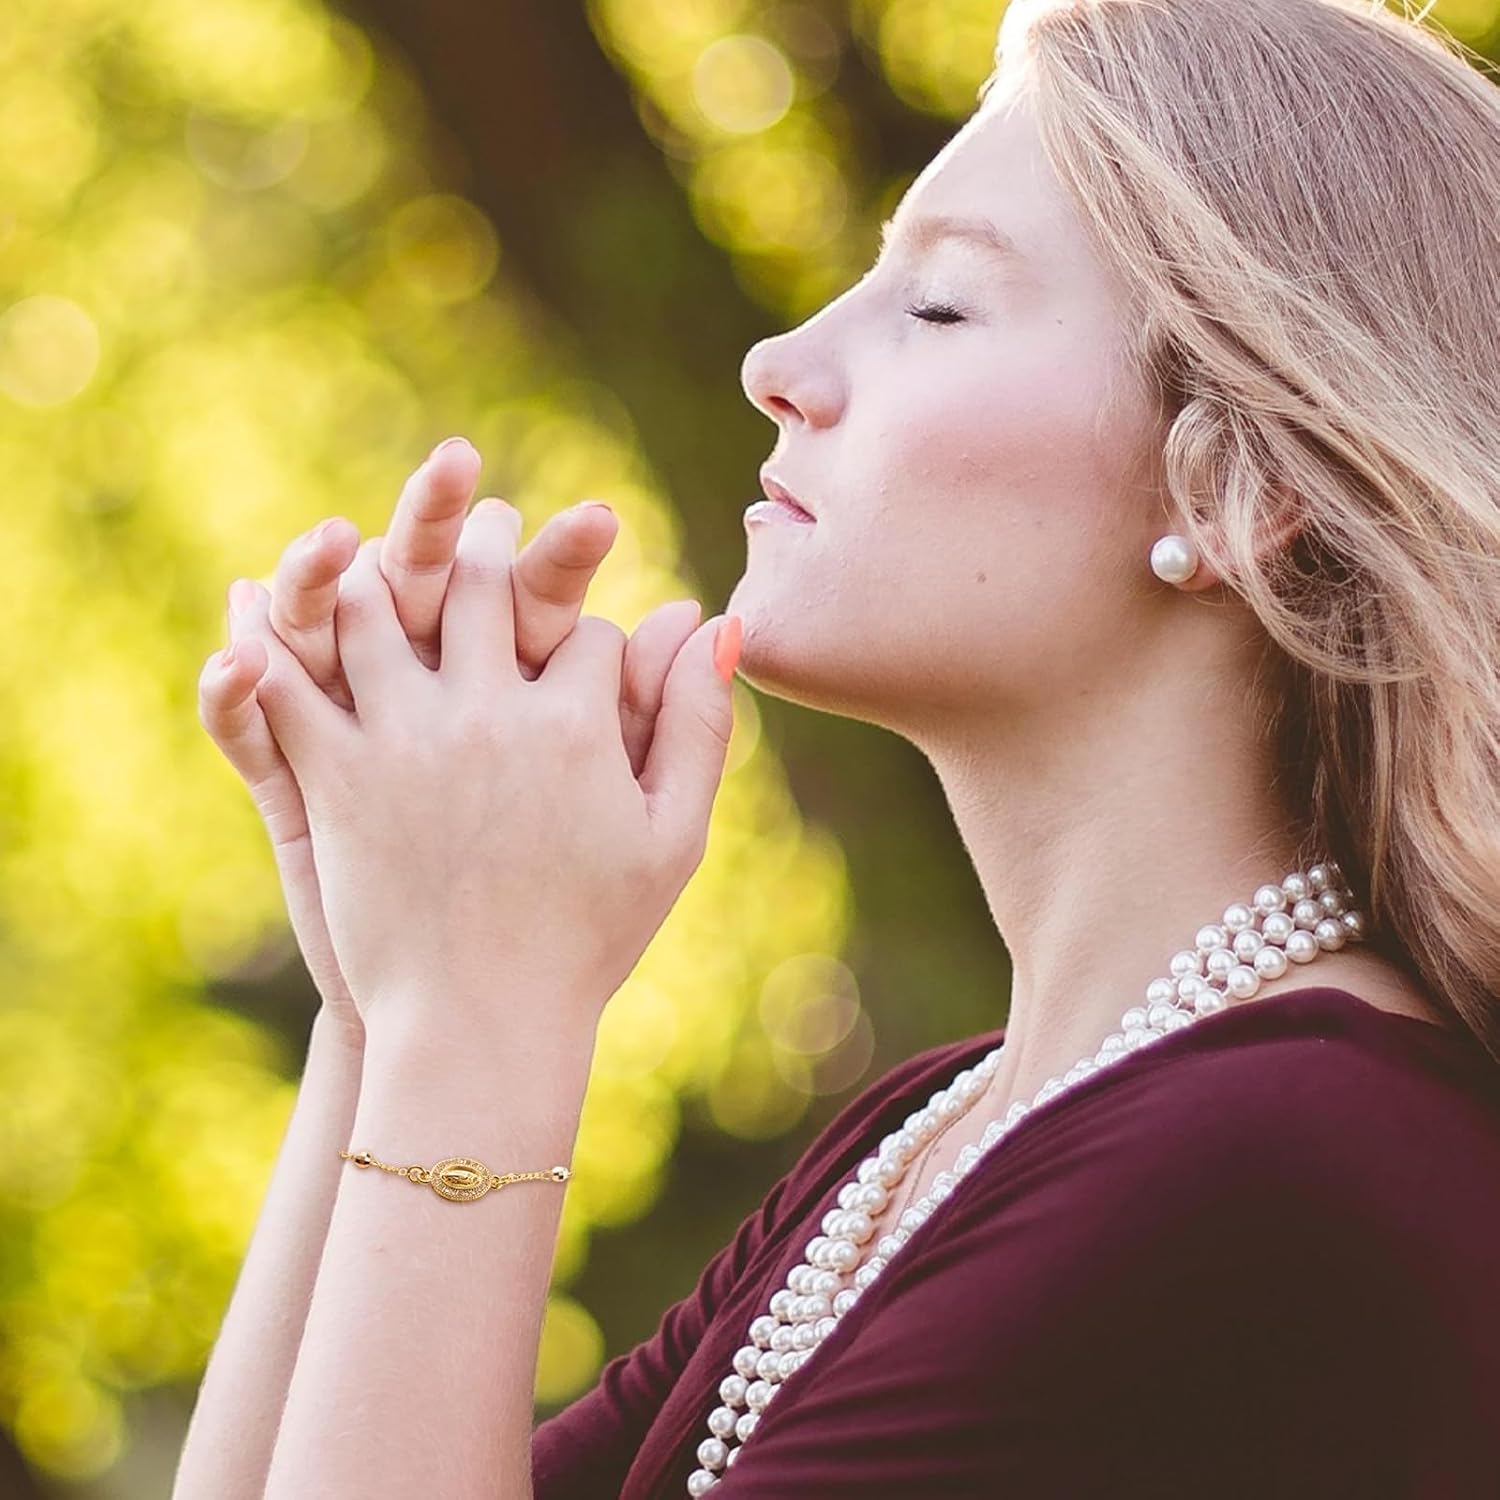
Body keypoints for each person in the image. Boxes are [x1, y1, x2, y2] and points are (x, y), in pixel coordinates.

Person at [181, 0, 1500, 1495]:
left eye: (937, 305)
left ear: (1246, 490)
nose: (777, 358)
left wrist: (477, 1007)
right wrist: (381, 997)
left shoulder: (1270, 1162)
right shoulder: (932, 1138)